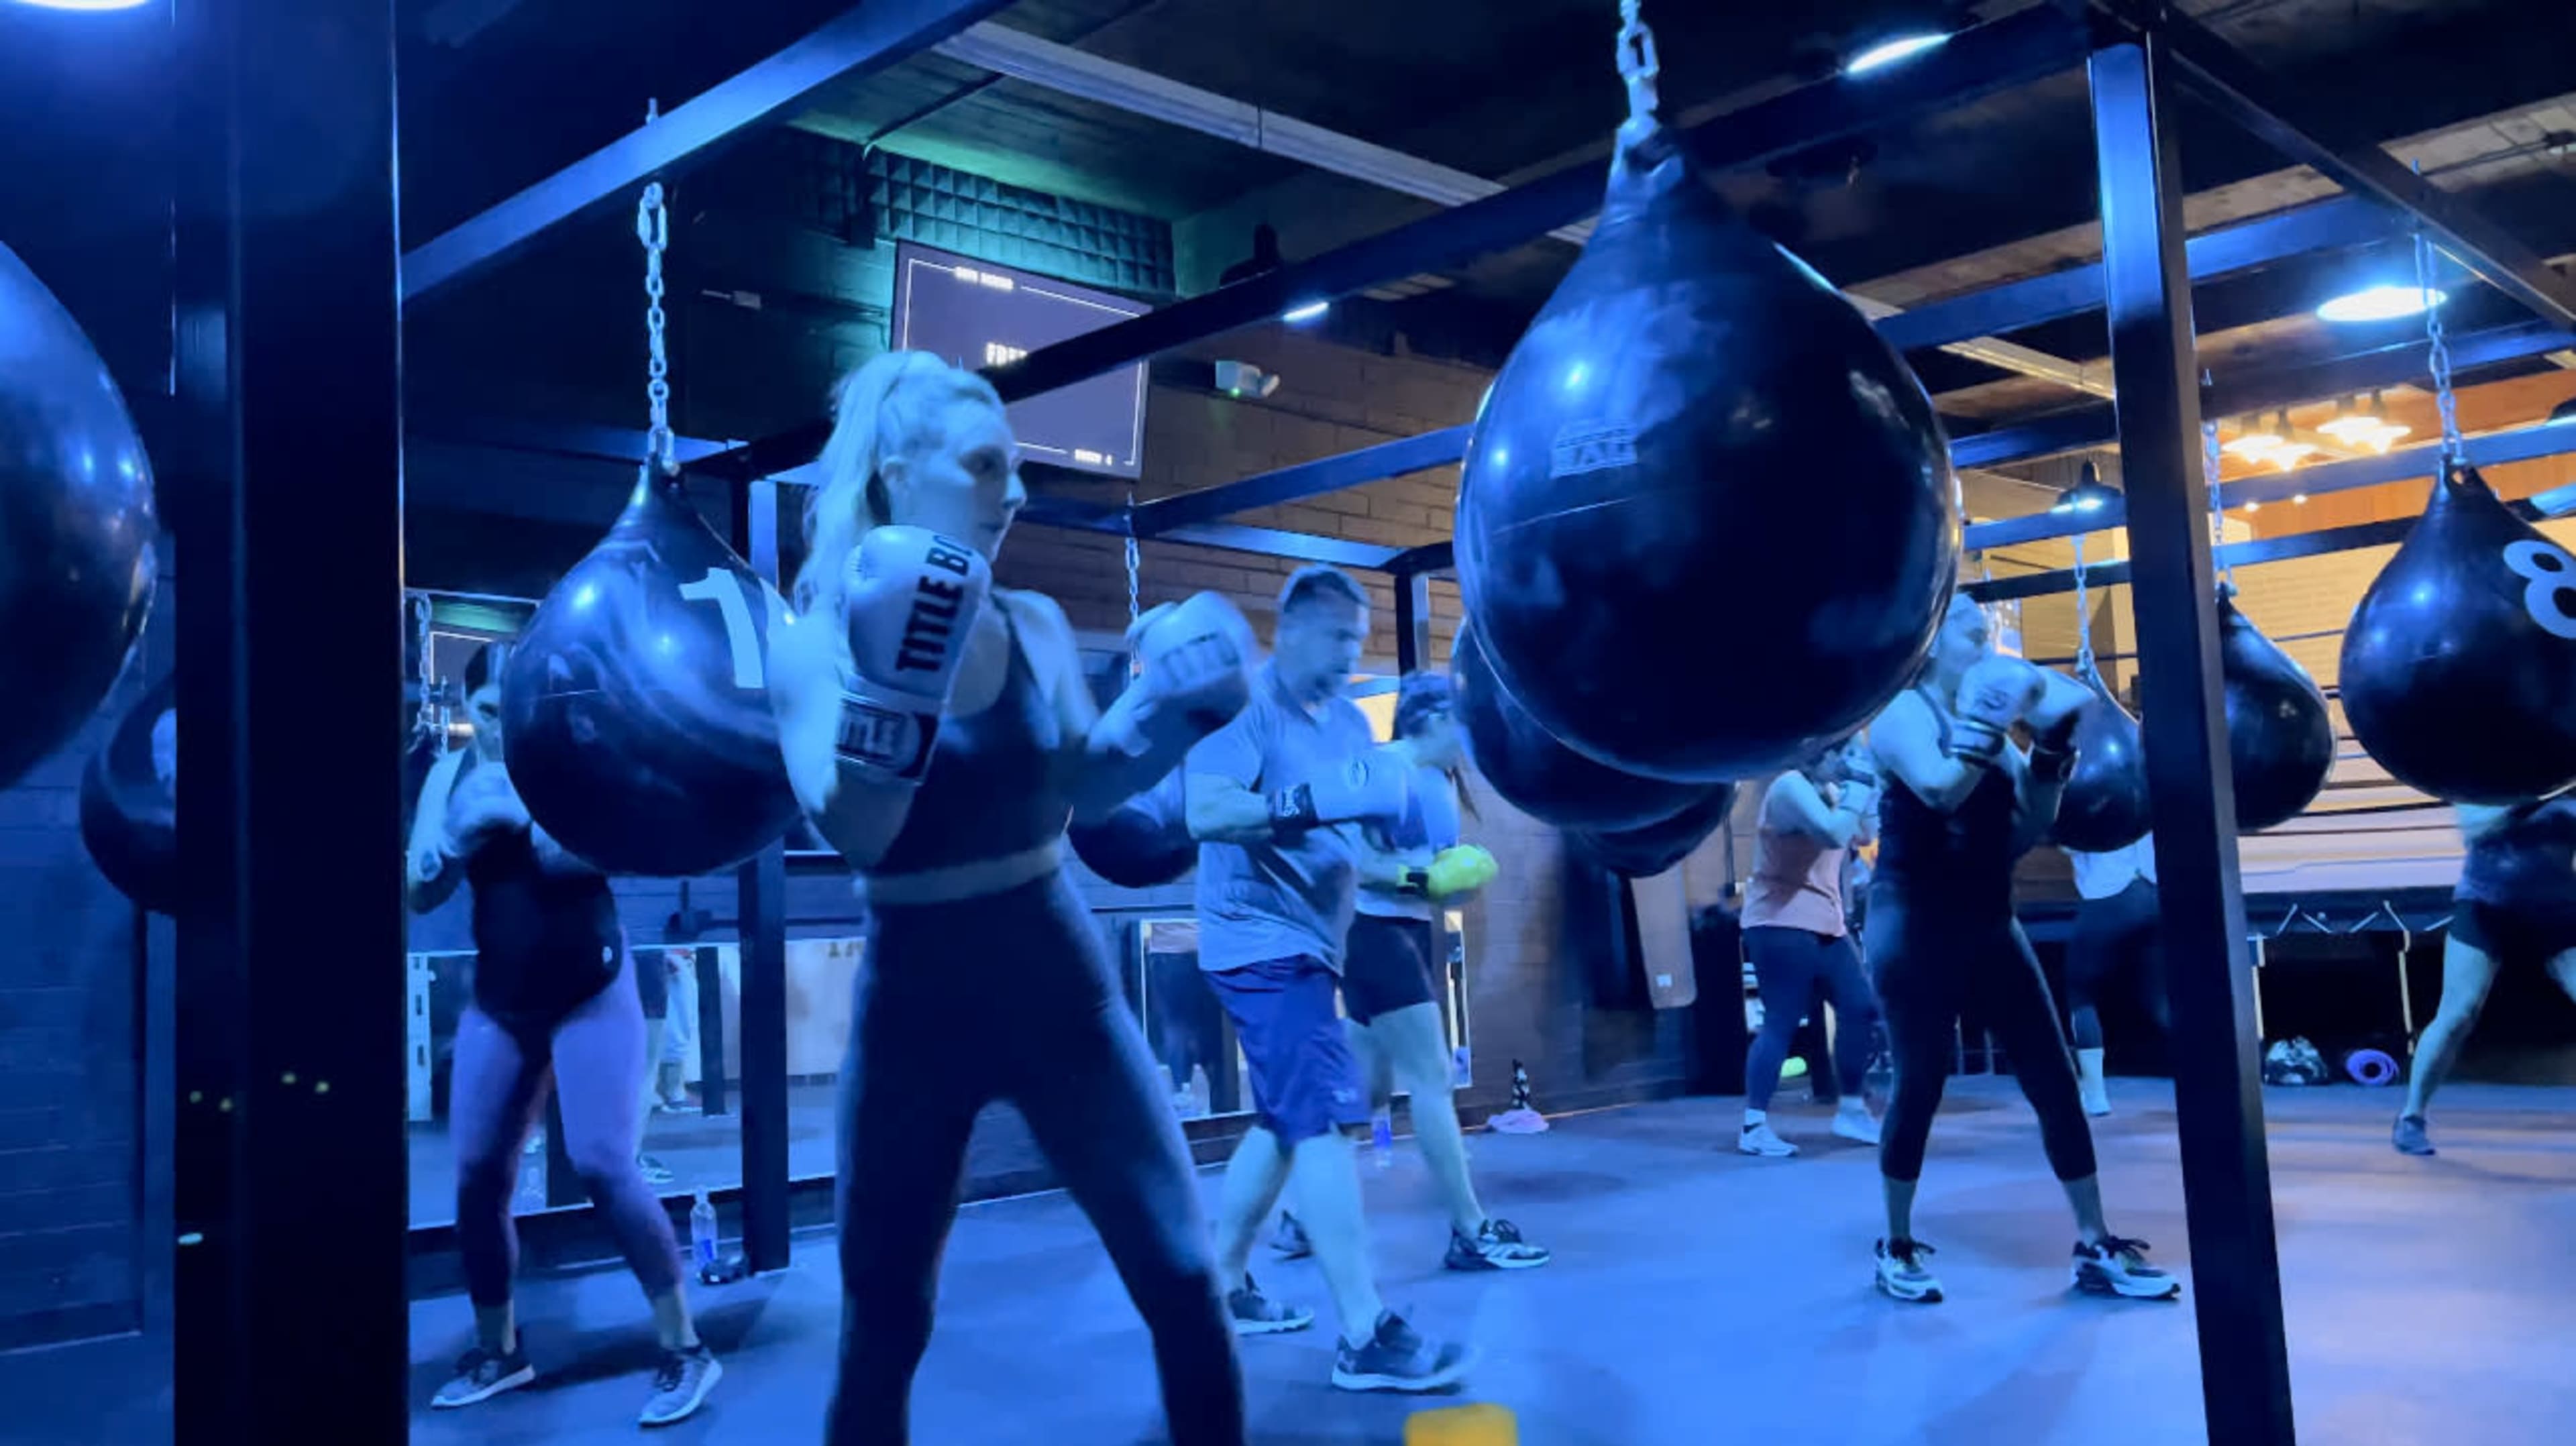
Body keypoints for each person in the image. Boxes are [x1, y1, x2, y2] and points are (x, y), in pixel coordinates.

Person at [766, 349, 1248, 1445]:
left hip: (1054, 978)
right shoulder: (812, 644)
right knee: (884, 1320)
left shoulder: (1030, 623)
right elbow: (860, 831)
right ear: (896, 471)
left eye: (1018, 468)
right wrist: (900, 678)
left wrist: (1174, 713)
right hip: (913, 1004)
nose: (1015, 493)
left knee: (1183, 1272)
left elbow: (1083, 786)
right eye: (985, 466)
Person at [409, 643, 721, 1426]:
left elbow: (597, 858)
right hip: (503, 1002)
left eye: (517, 713)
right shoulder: (449, 774)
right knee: (479, 1175)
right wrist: (451, 835)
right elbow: (419, 888)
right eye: (488, 712)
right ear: (467, 709)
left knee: (604, 1163)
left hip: (592, 991)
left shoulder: (571, 761)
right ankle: (500, 1349)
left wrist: (523, 814)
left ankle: (687, 1348)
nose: (503, 727)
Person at [1184, 567, 1476, 1392]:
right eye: (1337, 634)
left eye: (1358, 636)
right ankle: (1363, 1330)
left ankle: (1223, 1281)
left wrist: (1424, 876)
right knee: (1321, 1120)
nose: (1350, 650)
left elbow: (1359, 845)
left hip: (1321, 943)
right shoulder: (1246, 708)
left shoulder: (1352, 722)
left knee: (1284, 1121)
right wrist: (1305, 801)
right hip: (1256, 941)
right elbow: (1206, 811)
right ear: (1293, 627)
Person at [1863, 594, 2178, 1306]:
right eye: (1972, 629)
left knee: (2054, 1078)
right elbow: (1942, 792)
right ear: (1933, 638)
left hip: (1988, 917)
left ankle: (2094, 1241)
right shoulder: (1903, 714)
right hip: (1913, 920)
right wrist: (1987, 717)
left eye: (1990, 631)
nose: (1987, 638)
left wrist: (2055, 748)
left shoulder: (2000, 732)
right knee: (1920, 1082)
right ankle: (1897, 1242)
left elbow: (2034, 825)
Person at [1275, 671, 1546, 1270]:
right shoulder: (1384, 767)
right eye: (1466, 724)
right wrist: (1426, 879)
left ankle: (1300, 1219)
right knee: (1432, 1078)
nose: (1471, 740)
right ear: (1432, 719)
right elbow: (1353, 860)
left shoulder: (1438, 782)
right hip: (1372, 935)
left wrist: (1457, 886)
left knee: (1365, 1092)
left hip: (1405, 933)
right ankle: (1470, 1229)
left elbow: (1431, 880)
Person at [2394, 797, 2576, 1156]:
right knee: (2457, 1014)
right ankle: (2411, 1117)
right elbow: (2477, 823)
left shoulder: (2564, 770)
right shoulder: (2486, 769)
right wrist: (2541, 797)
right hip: (2485, 908)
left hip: (2557, 914)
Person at [1737, 734, 1884, 1157]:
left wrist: (1867, 787)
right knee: (1783, 1019)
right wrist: (1857, 785)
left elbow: (1864, 833)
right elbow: (1834, 834)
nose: (1845, 763)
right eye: (1843, 755)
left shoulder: (1829, 790)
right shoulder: (1790, 787)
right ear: (1820, 755)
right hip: (1778, 921)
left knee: (1860, 1008)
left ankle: (1853, 1110)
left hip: (1826, 922)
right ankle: (1754, 1126)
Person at [2062, 832, 2164, 1117]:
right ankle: (2208, 1079)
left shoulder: (2082, 787)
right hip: (2155, 892)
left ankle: (2094, 1095)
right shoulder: (2151, 786)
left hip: (2107, 896)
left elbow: (2068, 843)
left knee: (2081, 993)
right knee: (2162, 999)